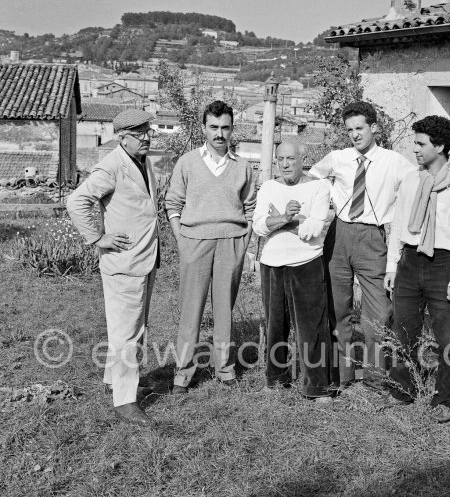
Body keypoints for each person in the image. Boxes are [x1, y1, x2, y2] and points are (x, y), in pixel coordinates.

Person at [309, 101, 450, 391]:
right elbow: (312, 180)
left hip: (373, 238)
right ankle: (341, 375)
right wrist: (326, 200)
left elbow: (428, 176)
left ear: (374, 128)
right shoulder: (337, 157)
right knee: (338, 309)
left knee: (378, 314)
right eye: (349, 130)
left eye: (360, 128)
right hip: (339, 234)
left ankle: (375, 378)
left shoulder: (394, 161)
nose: (355, 135)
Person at [383, 115, 450, 423]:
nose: (414, 149)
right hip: (410, 262)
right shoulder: (413, 180)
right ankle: (404, 387)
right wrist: (392, 264)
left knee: (448, 337)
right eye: (414, 142)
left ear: (439, 146)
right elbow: (399, 225)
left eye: (420, 143)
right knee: (404, 330)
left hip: (445, 265)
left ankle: (444, 398)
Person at [67, 109, 159, 427]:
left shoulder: (143, 161)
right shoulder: (112, 166)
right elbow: (77, 201)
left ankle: (113, 380)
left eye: (148, 129)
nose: (147, 136)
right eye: (139, 132)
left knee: (130, 329)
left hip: (143, 259)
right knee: (128, 334)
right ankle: (125, 401)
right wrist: (98, 237)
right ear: (122, 138)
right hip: (125, 263)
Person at [165, 100, 256, 393]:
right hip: (195, 241)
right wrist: (181, 239)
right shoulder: (187, 162)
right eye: (213, 127)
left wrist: (244, 241)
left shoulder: (242, 166)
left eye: (225, 128)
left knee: (224, 310)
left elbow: (251, 207)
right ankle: (183, 372)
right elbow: (173, 203)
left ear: (232, 130)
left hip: (231, 242)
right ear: (203, 128)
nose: (219, 134)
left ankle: (225, 369)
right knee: (190, 308)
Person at [253, 139, 333, 402]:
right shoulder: (268, 187)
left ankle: (317, 387)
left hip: (306, 263)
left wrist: (280, 221)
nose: (285, 164)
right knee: (276, 325)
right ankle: (276, 379)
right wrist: (287, 218)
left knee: (312, 327)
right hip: (272, 264)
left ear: (302, 159)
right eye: (280, 159)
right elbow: (259, 227)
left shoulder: (319, 187)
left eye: (290, 159)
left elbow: (314, 230)